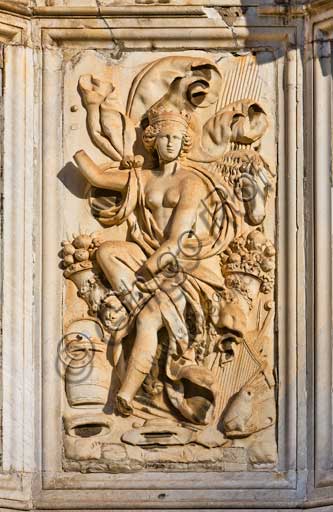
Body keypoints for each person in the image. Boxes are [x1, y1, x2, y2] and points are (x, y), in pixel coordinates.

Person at [74, 107, 259, 424]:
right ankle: (137, 303)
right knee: (107, 252)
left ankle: (126, 393)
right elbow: (96, 176)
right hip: (150, 256)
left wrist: (149, 272)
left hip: (182, 264)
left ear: (186, 141)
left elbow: (177, 238)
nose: (171, 143)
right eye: (164, 138)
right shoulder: (142, 178)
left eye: (177, 138)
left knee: (148, 321)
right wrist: (86, 114)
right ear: (152, 141)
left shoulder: (191, 183)